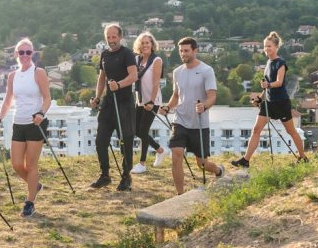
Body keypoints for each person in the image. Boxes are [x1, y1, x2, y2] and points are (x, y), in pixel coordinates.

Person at [0, 38, 52, 218]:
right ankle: (35, 185)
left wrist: (41, 113)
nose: (25, 55)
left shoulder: (38, 72)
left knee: (31, 164)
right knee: (17, 164)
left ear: (32, 54)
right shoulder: (12, 76)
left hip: (35, 123)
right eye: (21, 52)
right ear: (16, 54)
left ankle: (29, 202)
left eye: (28, 52)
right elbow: (8, 99)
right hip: (19, 122)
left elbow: (47, 98)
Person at [231, 31, 308, 168]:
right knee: (256, 130)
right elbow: (266, 86)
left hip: (281, 103)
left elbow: (278, 82)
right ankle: (245, 160)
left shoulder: (281, 63)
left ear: (276, 47)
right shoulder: (268, 63)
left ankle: (303, 157)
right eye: (265, 46)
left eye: (269, 46)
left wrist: (268, 85)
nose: (266, 49)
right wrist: (259, 99)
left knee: (291, 131)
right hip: (269, 103)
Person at [159, 37, 223, 194]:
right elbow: (176, 95)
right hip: (180, 121)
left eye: (186, 51)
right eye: (181, 51)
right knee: (176, 153)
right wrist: (168, 107)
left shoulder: (206, 71)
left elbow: (212, 96)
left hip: (199, 124)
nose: (183, 54)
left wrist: (204, 105)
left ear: (195, 50)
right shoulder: (177, 72)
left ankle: (218, 171)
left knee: (202, 164)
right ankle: (180, 195)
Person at [90, 23, 137, 191]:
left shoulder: (127, 54)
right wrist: (97, 97)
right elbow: (102, 78)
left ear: (120, 37)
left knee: (126, 141)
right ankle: (105, 175)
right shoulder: (104, 55)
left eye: (114, 37)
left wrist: (119, 84)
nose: (111, 40)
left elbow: (133, 76)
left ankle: (126, 176)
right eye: (108, 37)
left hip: (124, 102)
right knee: (100, 140)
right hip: (109, 103)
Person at [130, 31, 167, 174]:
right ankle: (160, 150)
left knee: (143, 130)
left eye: (147, 43)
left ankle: (142, 163)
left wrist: (151, 101)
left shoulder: (156, 60)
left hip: (152, 100)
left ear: (152, 45)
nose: (145, 45)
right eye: (142, 43)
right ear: (139, 45)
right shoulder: (137, 60)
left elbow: (156, 82)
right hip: (140, 99)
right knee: (137, 130)